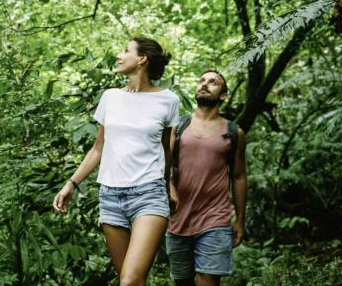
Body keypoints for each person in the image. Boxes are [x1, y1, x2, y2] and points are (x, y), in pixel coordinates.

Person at [53, 37, 180, 286]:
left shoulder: (168, 100)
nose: (119, 56)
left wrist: (169, 187)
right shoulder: (110, 97)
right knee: (127, 279)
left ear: (142, 59)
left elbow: (167, 151)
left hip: (149, 195)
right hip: (111, 197)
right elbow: (98, 149)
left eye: (125, 51)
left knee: (130, 281)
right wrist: (71, 184)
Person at [166, 70, 247, 286]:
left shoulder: (233, 132)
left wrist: (239, 219)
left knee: (207, 280)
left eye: (213, 83)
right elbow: (162, 166)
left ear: (222, 95)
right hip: (177, 218)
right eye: (201, 80)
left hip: (215, 218)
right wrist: (169, 186)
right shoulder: (177, 126)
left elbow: (239, 177)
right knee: (183, 282)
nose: (204, 84)